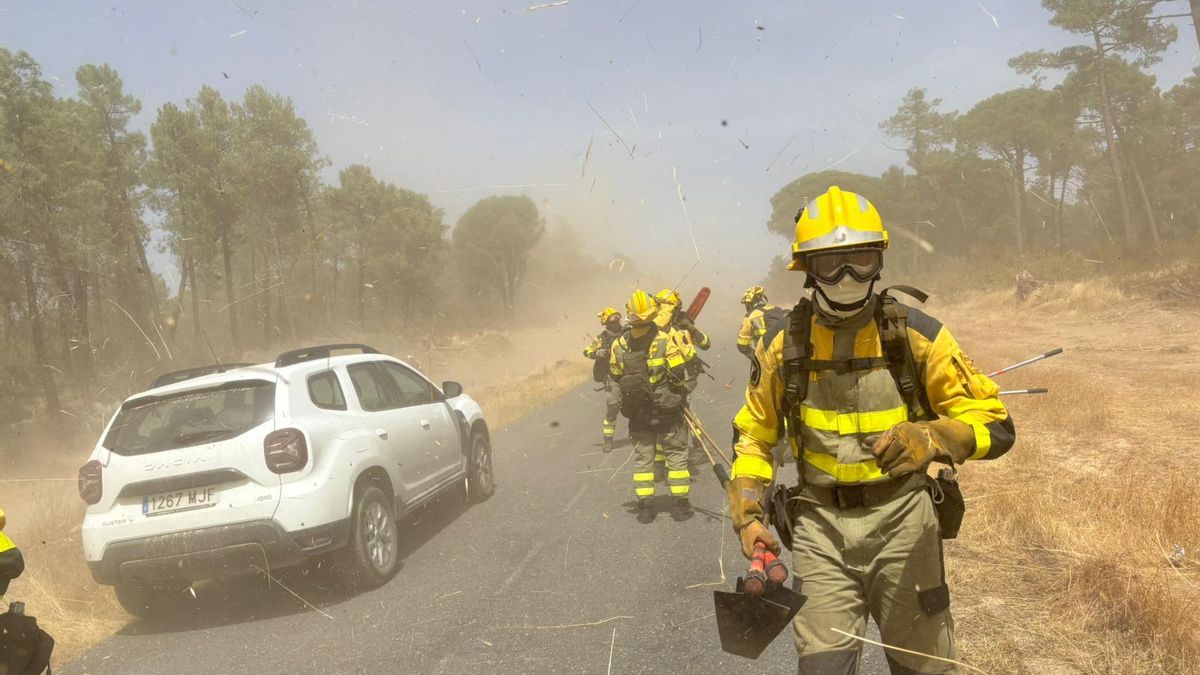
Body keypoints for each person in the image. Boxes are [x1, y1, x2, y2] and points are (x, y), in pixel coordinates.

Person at [725, 186, 1016, 674]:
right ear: (805, 269)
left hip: (906, 524)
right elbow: (754, 437)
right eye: (829, 263)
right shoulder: (781, 345)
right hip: (819, 529)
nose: (845, 276)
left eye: (859, 258)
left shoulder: (917, 336)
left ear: (878, 259)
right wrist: (749, 514)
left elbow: (996, 425)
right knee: (823, 666)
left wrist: (933, 438)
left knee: (924, 667)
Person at [610, 289, 696, 523]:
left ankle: (645, 508)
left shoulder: (619, 344)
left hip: (638, 411)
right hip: (666, 408)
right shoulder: (665, 338)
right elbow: (678, 372)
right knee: (676, 454)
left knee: (643, 459)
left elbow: (616, 374)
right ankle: (680, 506)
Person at [583, 307, 624, 453]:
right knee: (613, 408)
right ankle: (608, 440)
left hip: (629, 375)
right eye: (612, 322)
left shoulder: (626, 333)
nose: (616, 323)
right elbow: (586, 351)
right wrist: (597, 353)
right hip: (611, 378)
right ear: (606, 324)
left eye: (617, 320)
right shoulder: (602, 338)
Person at [736, 285, 785, 358]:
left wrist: (755, 357)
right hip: (785, 351)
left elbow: (742, 345)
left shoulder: (750, 316)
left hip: (767, 354)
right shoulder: (777, 309)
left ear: (750, 304)